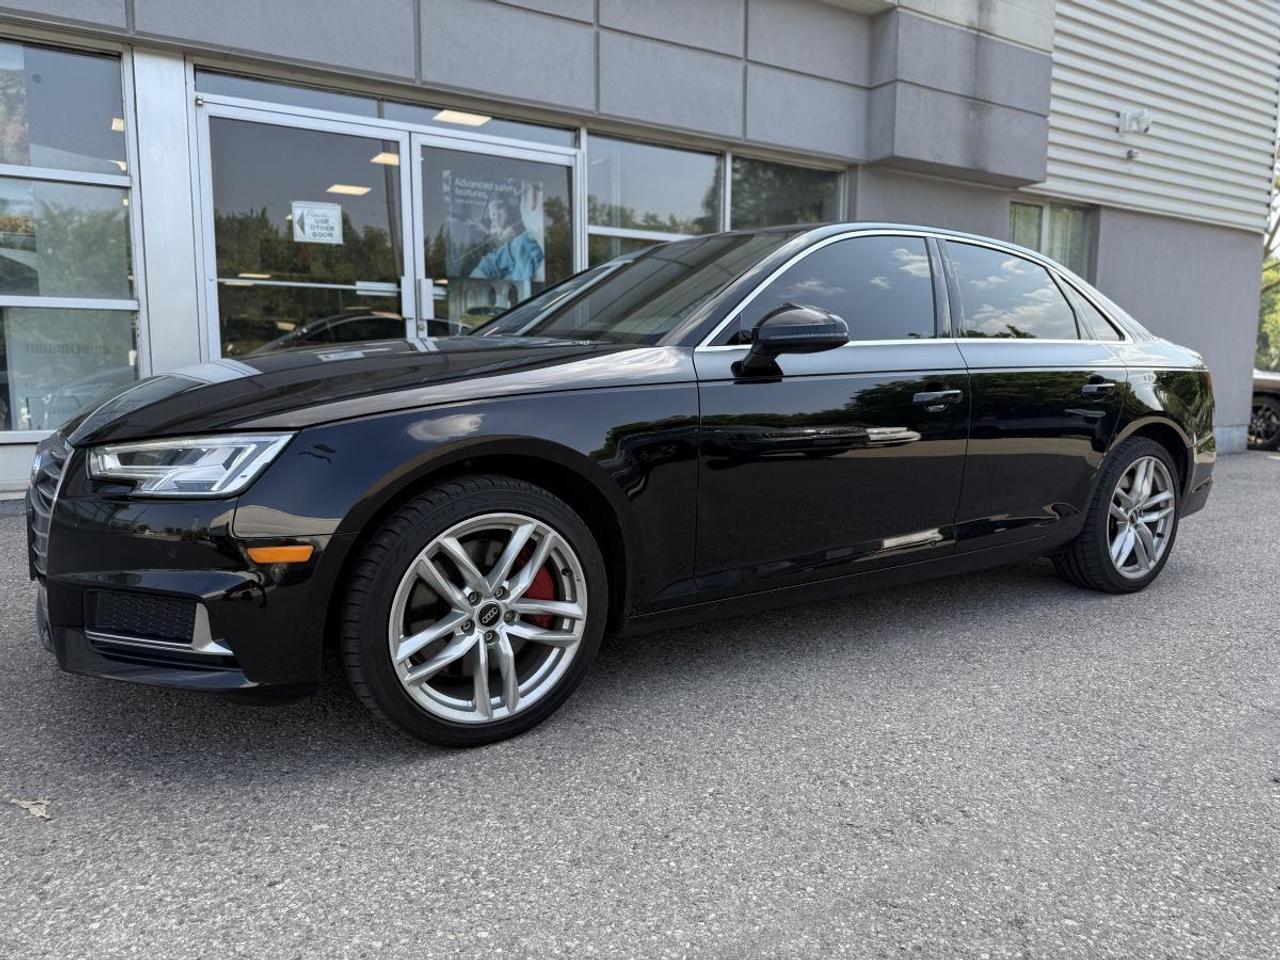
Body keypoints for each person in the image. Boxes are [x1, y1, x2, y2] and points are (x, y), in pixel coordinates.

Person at [470, 190, 544, 281]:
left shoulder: (512, 231)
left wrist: (485, 230)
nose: (496, 217)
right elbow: (490, 264)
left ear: (507, 213)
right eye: (493, 215)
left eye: (500, 211)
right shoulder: (522, 242)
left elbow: (501, 243)